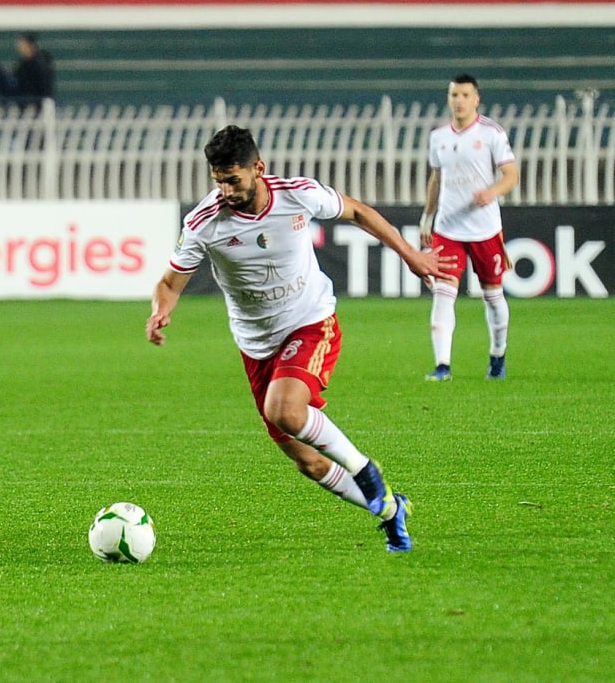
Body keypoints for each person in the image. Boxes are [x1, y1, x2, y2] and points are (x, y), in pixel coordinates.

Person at [145, 125, 458, 553]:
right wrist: (161, 310)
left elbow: (359, 212)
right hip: (256, 346)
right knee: (309, 462)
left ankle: (366, 471)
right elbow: (170, 282)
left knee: (285, 410)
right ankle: (388, 511)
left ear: (259, 168)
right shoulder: (204, 222)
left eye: (233, 179)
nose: (226, 190)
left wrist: (412, 255)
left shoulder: (298, 195)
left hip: (310, 322)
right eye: (218, 180)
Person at [420, 73, 519, 382]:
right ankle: (442, 366)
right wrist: (427, 215)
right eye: (454, 95)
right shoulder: (438, 137)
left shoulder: (492, 134)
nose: (459, 101)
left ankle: (498, 355)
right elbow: (437, 178)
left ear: (476, 99)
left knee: (492, 296)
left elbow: (511, 175)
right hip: (447, 228)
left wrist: (492, 192)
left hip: (484, 229)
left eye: (465, 95)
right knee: (443, 294)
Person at [10, 32, 55, 106]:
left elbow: (44, 86)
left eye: (23, 45)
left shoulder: (41, 61)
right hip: (27, 104)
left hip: (38, 104)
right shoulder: (22, 64)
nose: (21, 48)